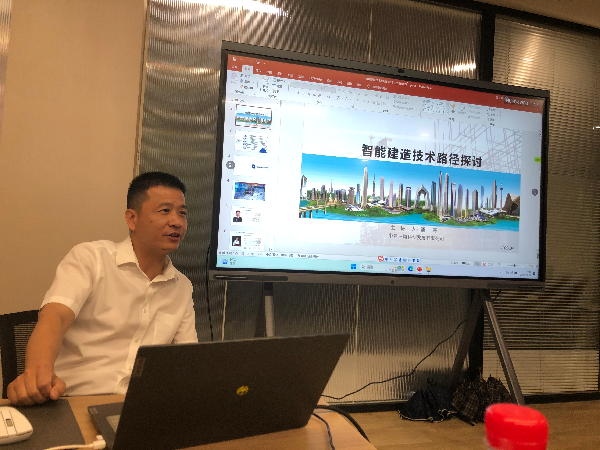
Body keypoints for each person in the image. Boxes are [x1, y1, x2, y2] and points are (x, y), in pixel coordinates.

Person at [7, 172, 198, 406]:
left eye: (182, 213)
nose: (177, 222)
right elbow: (55, 316)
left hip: (139, 406)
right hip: (73, 401)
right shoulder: (91, 259)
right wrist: (37, 373)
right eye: (165, 210)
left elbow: (188, 358)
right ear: (132, 219)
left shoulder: (182, 286)